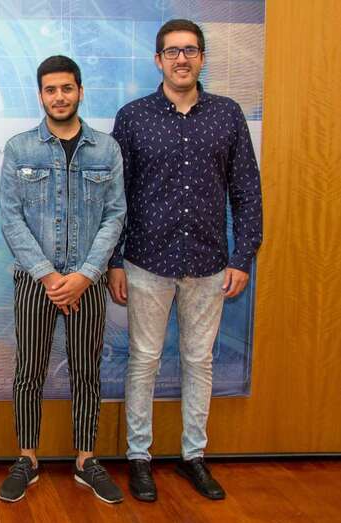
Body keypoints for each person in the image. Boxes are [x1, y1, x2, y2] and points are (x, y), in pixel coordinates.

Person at [108, 19, 263, 502]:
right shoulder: (133, 117)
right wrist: (114, 260)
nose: (181, 59)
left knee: (199, 361)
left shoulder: (228, 114)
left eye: (190, 51)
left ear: (201, 58)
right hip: (145, 263)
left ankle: (194, 455)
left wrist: (243, 255)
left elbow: (247, 191)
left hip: (210, 264)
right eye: (172, 51)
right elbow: (117, 197)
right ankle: (139, 459)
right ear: (158, 60)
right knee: (144, 362)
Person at [0, 55, 126, 504]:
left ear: (80, 91)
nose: (59, 97)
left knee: (87, 373)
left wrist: (87, 274)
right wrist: (51, 276)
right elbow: (11, 219)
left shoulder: (106, 149)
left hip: (88, 284)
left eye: (66, 88)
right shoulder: (19, 148)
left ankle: (86, 460)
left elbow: (115, 216)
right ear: (40, 95)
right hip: (36, 282)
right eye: (50, 90)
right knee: (27, 371)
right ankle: (27, 459)